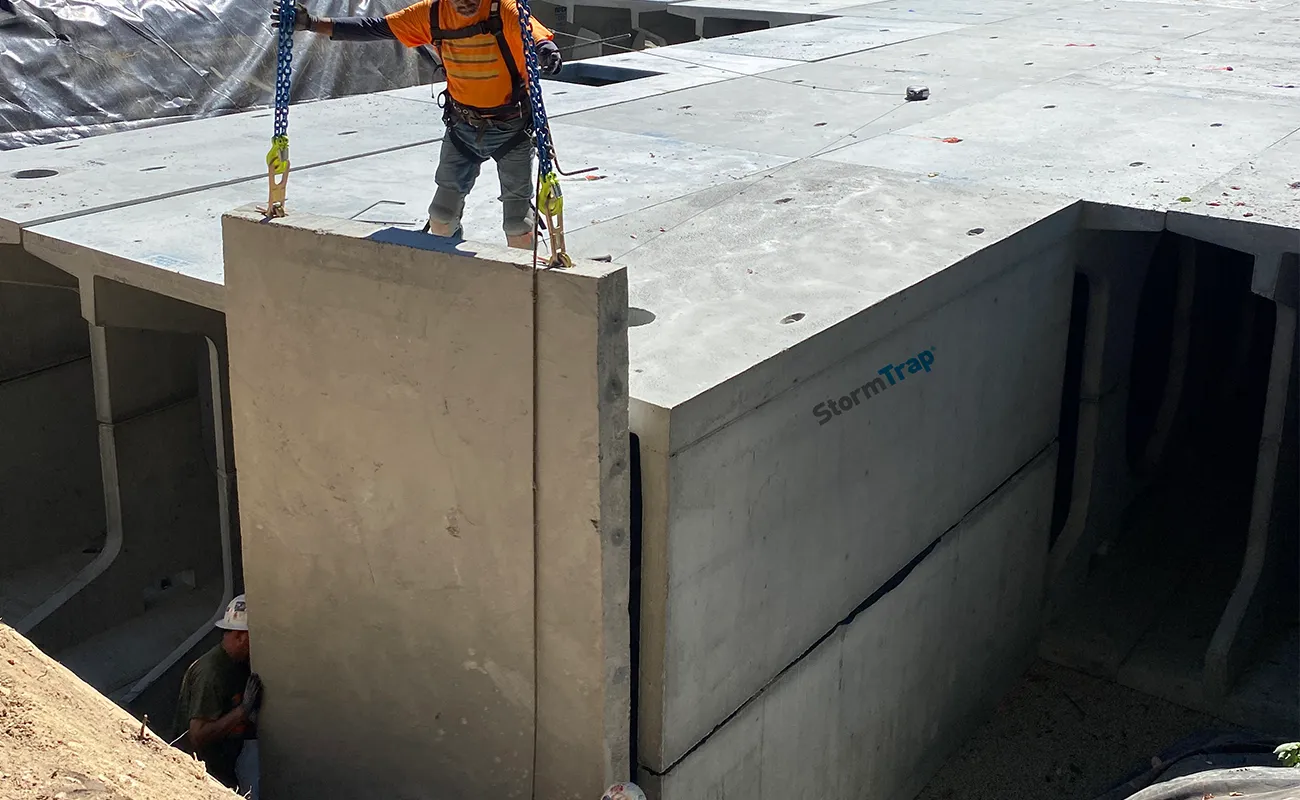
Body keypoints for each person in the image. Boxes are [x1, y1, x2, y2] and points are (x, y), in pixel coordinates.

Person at [273, 0, 564, 249]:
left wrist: (546, 50)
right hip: (463, 128)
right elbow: (375, 28)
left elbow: (534, 35)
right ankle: (449, 267)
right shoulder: (433, 14)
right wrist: (311, 23)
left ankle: (524, 284)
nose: (465, 3)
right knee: (442, 216)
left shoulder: (505, 11)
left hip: (512, 130)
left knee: (518, 224)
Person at [174, 594, 264, 798]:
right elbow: (197, 736)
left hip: (225, 770)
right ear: (241, 637)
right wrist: (242, 712)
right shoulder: (211, 673)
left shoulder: (238, 664)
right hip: (199, 775)